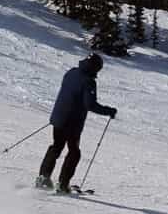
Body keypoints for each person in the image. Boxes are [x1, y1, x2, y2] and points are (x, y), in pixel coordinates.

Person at [35, 53, 117, 193]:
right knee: (74, 152)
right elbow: (90, 104)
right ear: (95, 68)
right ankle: (62, 184)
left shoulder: (71, 72)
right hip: (72, 122)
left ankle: (43, 178)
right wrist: (109, 111)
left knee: (56, 146)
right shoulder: (88, 81)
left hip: (58, 117)